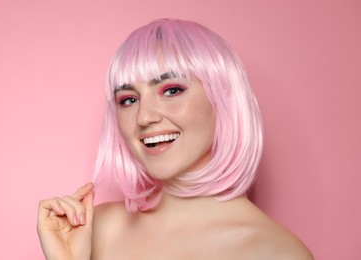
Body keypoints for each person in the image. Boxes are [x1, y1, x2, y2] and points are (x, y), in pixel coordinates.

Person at [37, 18, 314, 259]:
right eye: (129, 99)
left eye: (171, 90)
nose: (144, 117)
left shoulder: (277, 252)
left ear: (222, 98)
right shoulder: (93, 229)